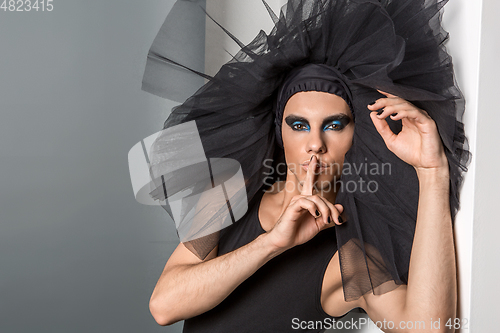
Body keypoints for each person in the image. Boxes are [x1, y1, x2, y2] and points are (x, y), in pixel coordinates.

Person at [141, 0, 470, 331]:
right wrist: (272, 243)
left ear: (358, 135)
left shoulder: (350, 260)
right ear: (279, 132)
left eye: (334, 125)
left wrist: (432, 173)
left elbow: (430, 328)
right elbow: (164, 305)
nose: (315, 143)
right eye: (299, 125)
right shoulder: (227, 196)